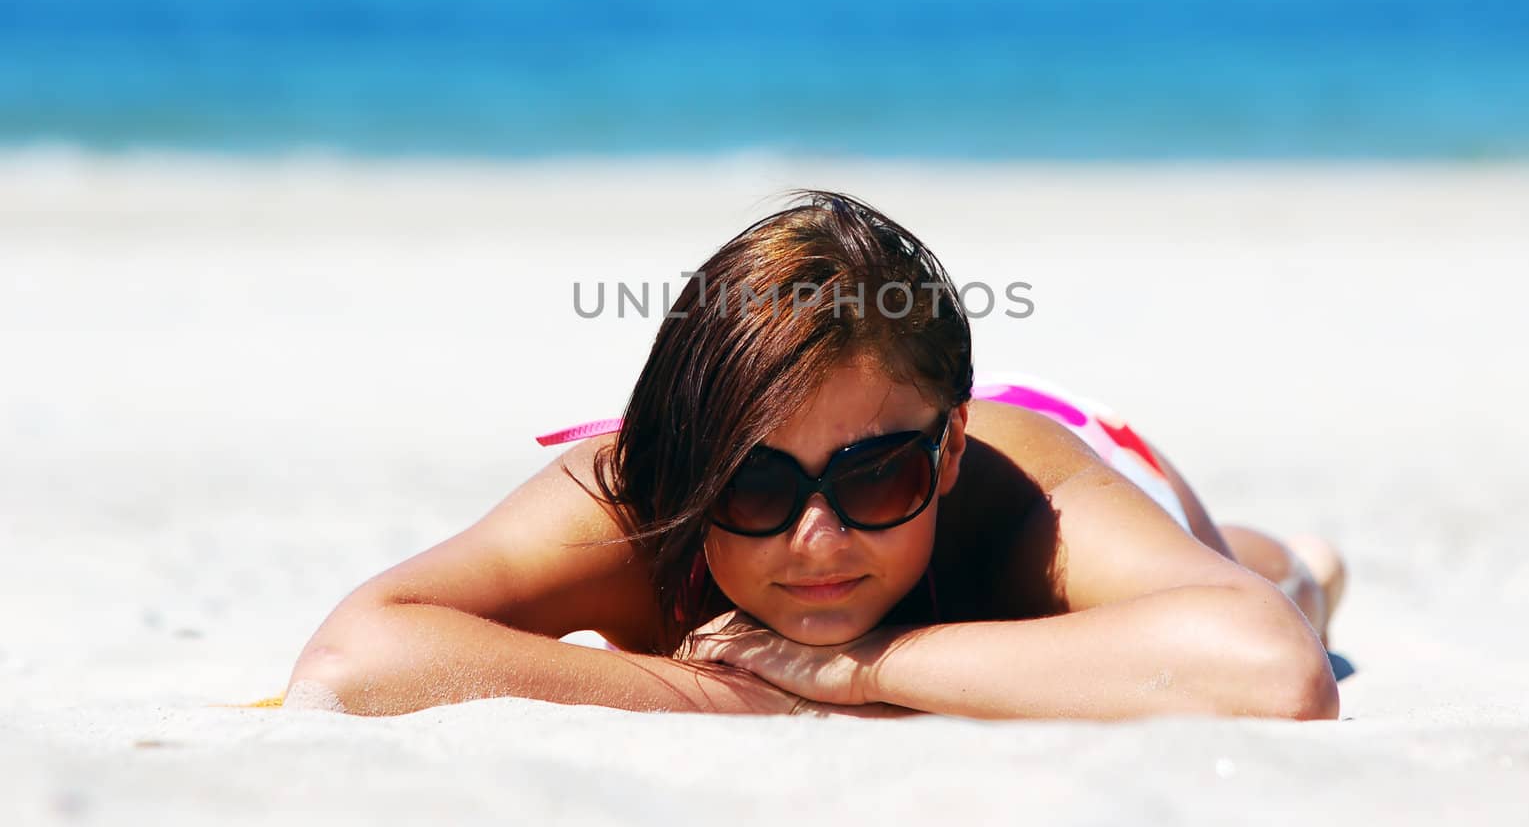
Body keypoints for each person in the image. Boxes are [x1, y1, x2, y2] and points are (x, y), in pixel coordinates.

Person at [283, 190, 1345, 719]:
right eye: (753, 485)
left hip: (1075, 442)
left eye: (873, 476)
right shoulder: (641, 492)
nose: (817, 538)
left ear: (943, 450)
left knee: (1262, 579)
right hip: (908, 400)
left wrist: (856, 666)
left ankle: (1305, 558)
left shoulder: (1018, 497)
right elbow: (353, 658)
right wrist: (714, 693)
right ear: (692, 466)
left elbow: (1277, 668)